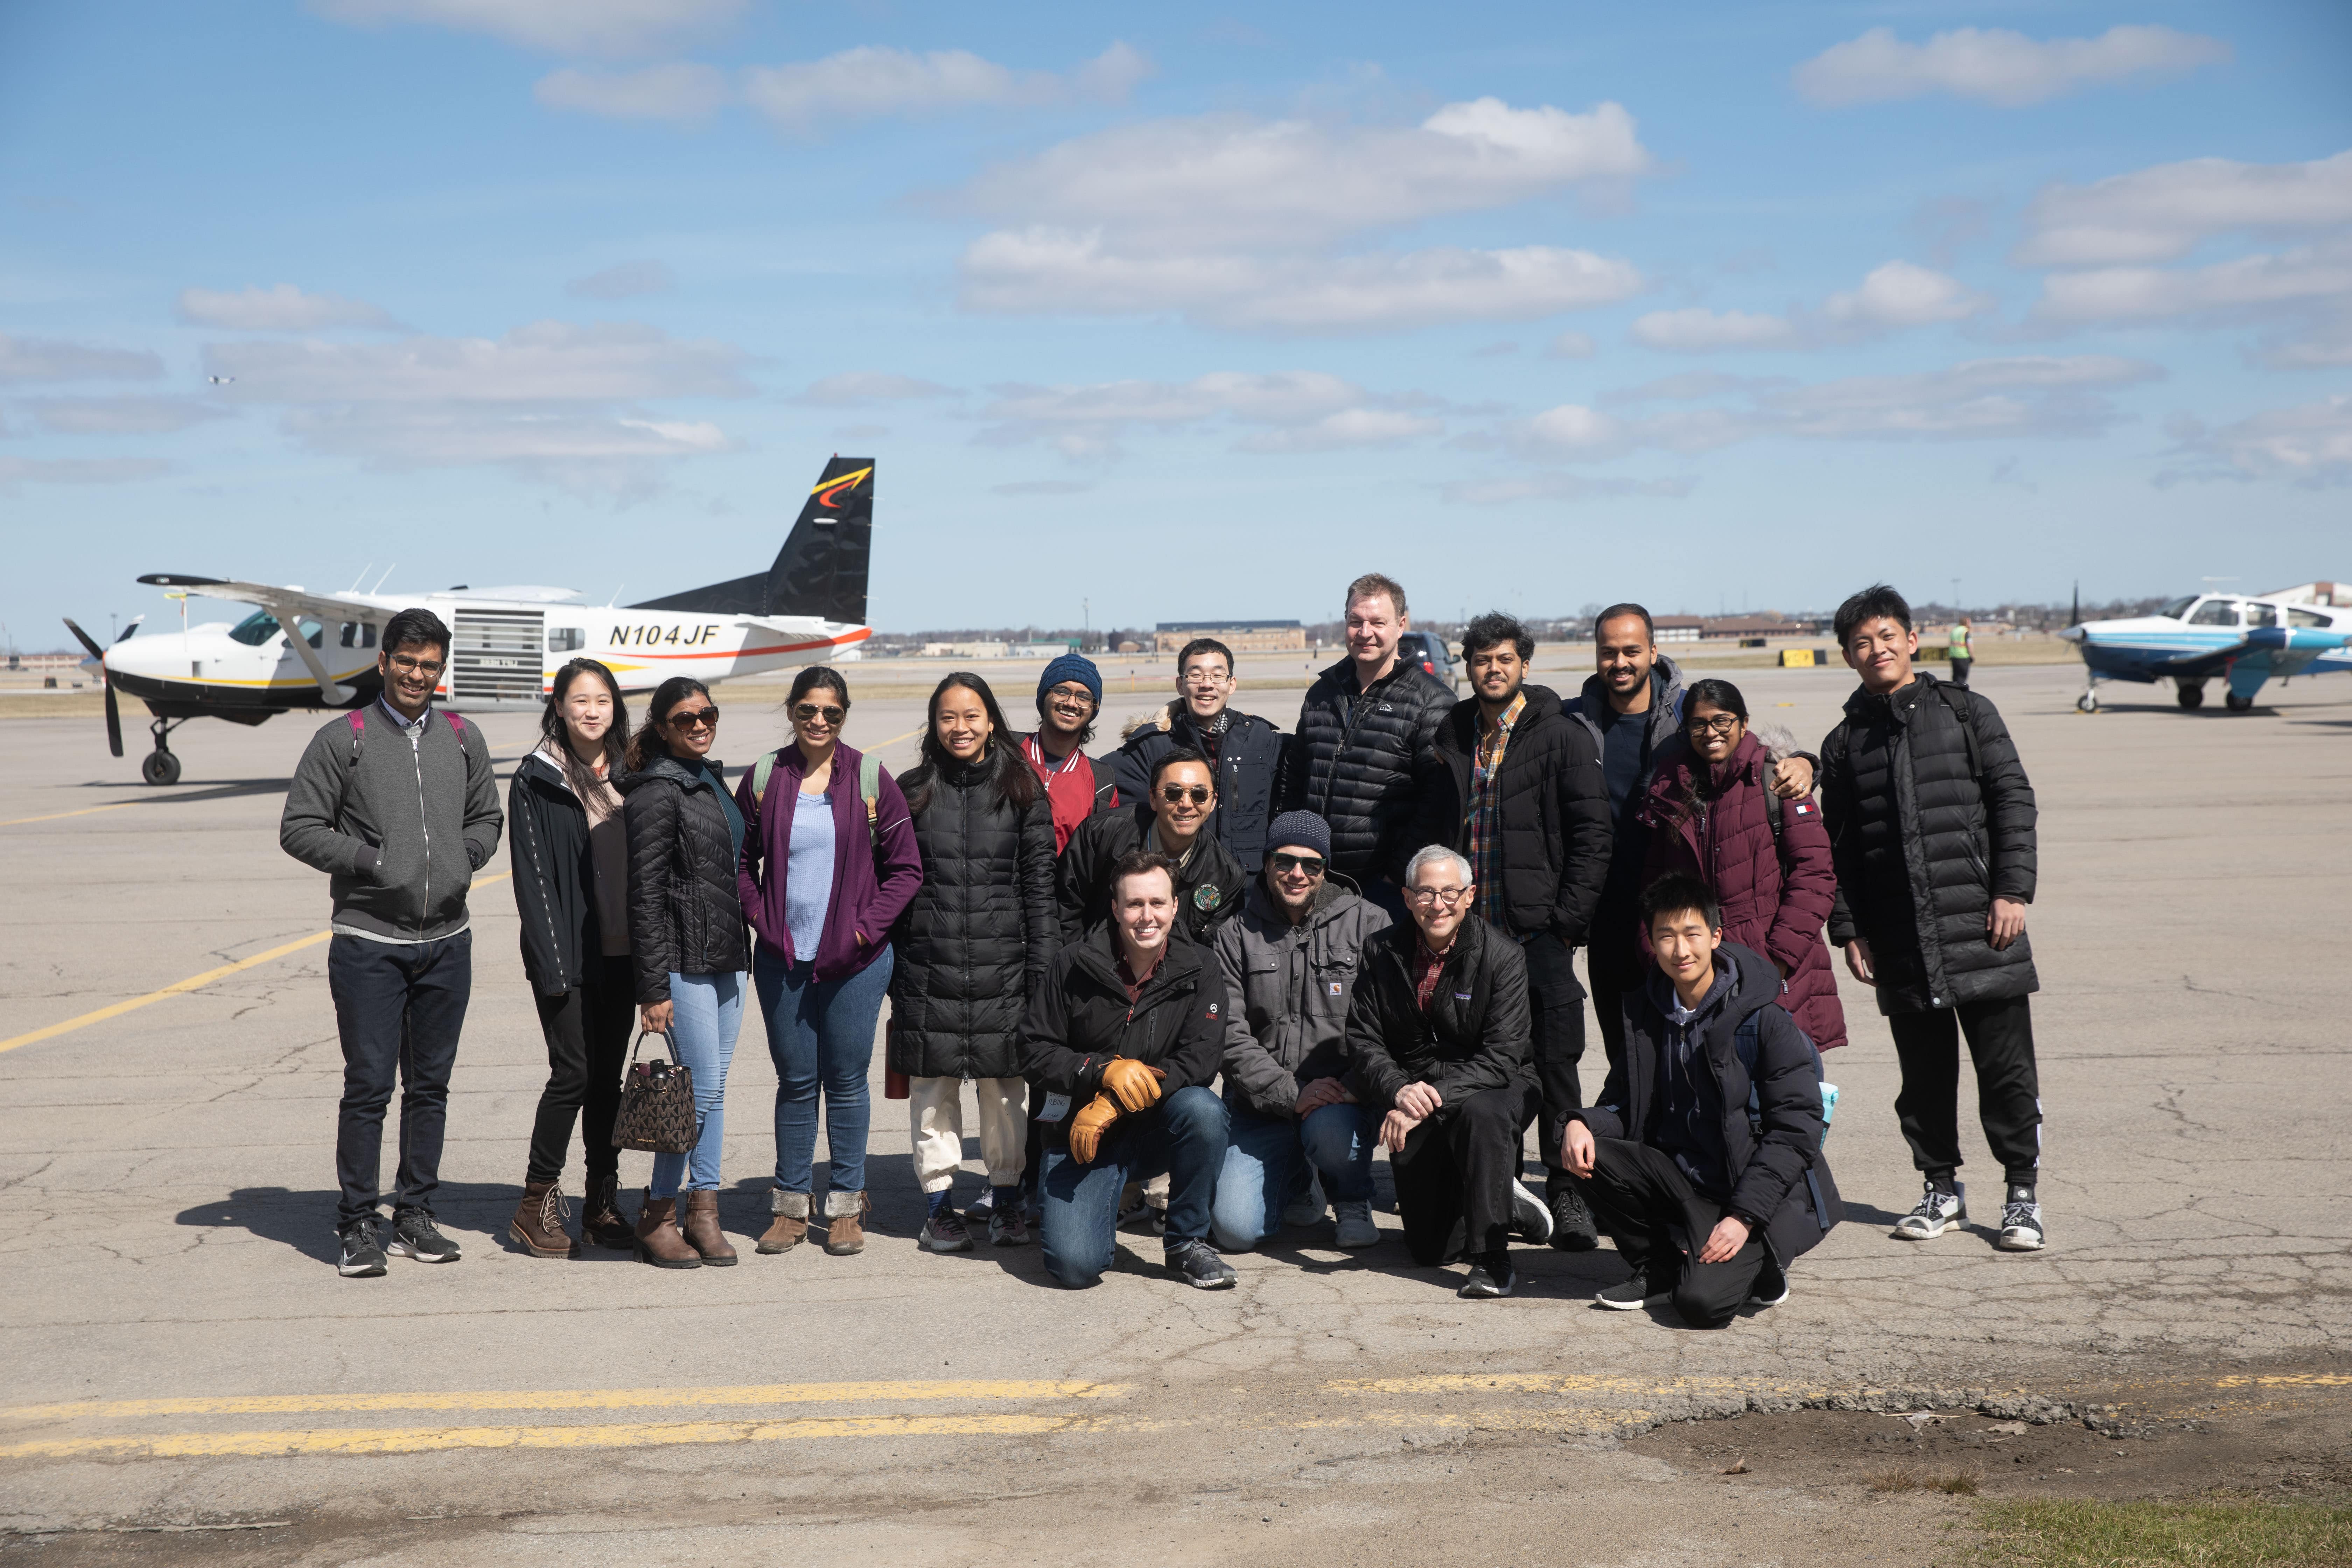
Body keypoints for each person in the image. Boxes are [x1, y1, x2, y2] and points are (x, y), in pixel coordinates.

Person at [280, 607, 502, 1279]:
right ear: (384, 664)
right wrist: (374, 862)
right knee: (370, 1086)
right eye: (406, 662)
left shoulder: (463, 737)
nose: (417, 674)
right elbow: (299, 828)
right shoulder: (341, 738)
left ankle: (414, 1214)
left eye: (430, 664)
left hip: (448, 941)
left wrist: (464, 857)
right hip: (369, 943)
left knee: (430, 1086)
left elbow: (487, 818)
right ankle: (356, 1223)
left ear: (441, 670)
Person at [1822, 584, 2044, 1251]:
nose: (1876, 649)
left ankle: (2023, 1195)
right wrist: (1849, 928)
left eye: (1887, 636)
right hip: (1898, 936)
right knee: (1923, 1080)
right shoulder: (1845, 742)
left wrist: (2011, 890)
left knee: (2006, 1072)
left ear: (1913, 641)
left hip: (1982, 926)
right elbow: (1837, 849)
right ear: (1848, 656)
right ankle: (1940, 1188)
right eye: (1862, 642)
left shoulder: (1966, 712)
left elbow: (2013, 799)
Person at [1564, 874, 1843, 1327]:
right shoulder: (1647, 1014)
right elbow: (1623, 1106)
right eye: (1666, 937)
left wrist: (1744, 1217)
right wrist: (1579, 1123)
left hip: (1747, 1191)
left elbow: (1797, 1129)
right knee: (1580, 1148)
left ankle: (1765, 1266)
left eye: (1692, 934)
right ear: (1651, 942)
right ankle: (1656, 1268)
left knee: (1700, 1306)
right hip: (1681, 1180)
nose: (1681, 950)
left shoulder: (1762, 1019)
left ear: (1716, 936)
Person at [1422, 611, 1614, 1252]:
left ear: (1524, 665)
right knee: (1478, 1062)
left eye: (1505, 659)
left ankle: (1567, 1188)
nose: (1494, 670)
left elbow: (1593, 836)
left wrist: (1565, 927)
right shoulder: (1452, 734)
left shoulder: (1560, 735)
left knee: (1557, 1064)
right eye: (1482, 661)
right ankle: (1489, 1184)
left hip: (1537, 936)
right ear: (1469, 667)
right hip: (1470, 941)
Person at [1563, 605, 1813, 1078]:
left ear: (1654, 652)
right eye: (1609, 652)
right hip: (1611, 919)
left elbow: (1751, 751)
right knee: (1628, 1058)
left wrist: (1803, 762)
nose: (1621, 662)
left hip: (1683, 918)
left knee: (1697, 1059)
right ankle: (1641, 1150)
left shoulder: (1687, 713)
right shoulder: (1573, 722)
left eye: (1632, 651)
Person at [737, 666, 923, 1259]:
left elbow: (907, 870)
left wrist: (866, 930)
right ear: (791, 710)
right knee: (795, 1082)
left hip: (856, 961)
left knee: (845, 1081)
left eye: (832, 713)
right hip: (784, 959)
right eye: (807, 711)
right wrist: (763, 920)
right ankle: (791, 1205)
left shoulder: (870, 777)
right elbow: (740, 863)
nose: (819, 721)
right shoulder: (766, 775)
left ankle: (846, 1203)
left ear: (845, 715)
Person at [887, 673, 1057, 1252]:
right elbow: (893, 883)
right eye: (948, 718)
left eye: (972, 716)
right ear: (934, 726)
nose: (960, 728)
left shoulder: (1023, 790)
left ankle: (1008, 1201)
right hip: (927, 968)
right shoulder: (909, 793)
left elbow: (1040, 890)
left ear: (991, 722)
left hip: (1003, 969)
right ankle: (939, 1207)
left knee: (1006, 1093)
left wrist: (1041, 973)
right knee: (932, 1093)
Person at [1022, 852, 1237, 1291]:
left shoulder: (1202, 966)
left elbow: (1201, 1058)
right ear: (1116, 907)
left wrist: (1116, 1098)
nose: (1147, 916)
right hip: (1082, 1135)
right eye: (1135, 904)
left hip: (1153, 1127)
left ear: (1176, 906)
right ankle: (1088, 1205)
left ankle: (1185, 1244)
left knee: (1204, 1110)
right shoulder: (1072, 963)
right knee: (1076, 1269)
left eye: (1158, 903)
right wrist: (1099, 1071)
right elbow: (1032, 1049)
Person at [1345, 845, 1550, 1299]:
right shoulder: (1380, 951)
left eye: (1449, 893)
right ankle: (1498, 1192)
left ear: (1470, 895)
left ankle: (1493, 1258)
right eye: (1425, 894)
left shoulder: (1504, 957)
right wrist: (1399, 1091)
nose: (1437, 905)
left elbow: (1503, 1057)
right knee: (1429, 1249)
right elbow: (1363, 1040)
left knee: (1482, 1114)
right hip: (1415, 1091)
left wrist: (1424, 1102)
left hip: (1498, 1084)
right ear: (1406, 897)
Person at [1208, 811, 1391, 1253]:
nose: (1297, 874)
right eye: (1285, 861)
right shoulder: (1235, 933)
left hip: (1339, 1100)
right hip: (1259, 1103)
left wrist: (1349, 1087)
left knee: (1330, 1136)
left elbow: (1387, 1024)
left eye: (1311, 864)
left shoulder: (1370, 924)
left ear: (1326, 870)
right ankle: (1298, 1179)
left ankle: (1350, 1196)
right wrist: (1291, 1092)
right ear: (1267, 863)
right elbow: (1229, 1033)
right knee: (1234, 1232)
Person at [1638, 677, 1848, 1056]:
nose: (1711, 733)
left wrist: (1777, 960)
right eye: (1699, 724)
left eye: (1722, 721)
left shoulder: (1777, 780)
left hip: (1775, 968)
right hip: (1696, 973)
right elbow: (1654, 884)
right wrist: (1658, 958)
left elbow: (1815, 876)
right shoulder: (1670, 788)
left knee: (1783, 1095)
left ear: (1744, 723)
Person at [506, 657, 638, 1259]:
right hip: (565, 959)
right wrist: (554, 965)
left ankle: (601, 1203)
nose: (591, 710)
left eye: (602, 700)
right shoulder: (538, 778)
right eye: (579, 700)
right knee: (574, 1076)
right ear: (558, 706)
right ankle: (535, 1204)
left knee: (608, 1084)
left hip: (621, 955)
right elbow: (533, 882)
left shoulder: (631, 774)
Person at [623, 677, 749, 1269]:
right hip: (681, 959)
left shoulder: (707, 778)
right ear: (662, 726)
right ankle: (658, 1213)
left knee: (715, 1090)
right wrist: (652, 989)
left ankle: (706, 1210)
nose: (700, 725)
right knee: (692, 1096)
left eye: (708, 714)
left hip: (727, 957)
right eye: (684, 719)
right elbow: (644, 896)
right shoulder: (656, 791)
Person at [1284, 573, 1452, 922]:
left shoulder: (1430, 702)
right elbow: (1296, 779)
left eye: (1378, 622)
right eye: (1355, 621)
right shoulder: (1322, 693)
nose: (1365, 633)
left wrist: (1396, 875)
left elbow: (1438, 802)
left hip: (1383, 889)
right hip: (1316, 879)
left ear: (1401, 624)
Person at [1111, 637, 1286, 873]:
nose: (1207, 684)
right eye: (1195, 675)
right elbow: (1100, 785)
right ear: (1180, 685)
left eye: (1217, 676)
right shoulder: (1152, 745)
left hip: (1248, 889)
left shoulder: (1261, 739)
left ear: (1231, 684)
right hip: (1177, 883)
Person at [1059, 749, 1244, 948]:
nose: (1186, 804)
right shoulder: (1101, 833)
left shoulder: (1227, 876)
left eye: (1199, 795)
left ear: (1213, 802)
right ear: (1153, 799)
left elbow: (1211, 951)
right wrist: (1078, 962)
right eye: (1173, 793)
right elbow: (1064, 907)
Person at [1017, 652, 1119, 853]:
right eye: (1062, 691)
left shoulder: (1102, 783)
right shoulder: (1007, 754)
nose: (1072, 703)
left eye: (1084, 697)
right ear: (1043, 697)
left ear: (1093, 708)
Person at [1948, 616, 1973, 688]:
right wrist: (1972, 656)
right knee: (1962, 678)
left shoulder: (1954, 630)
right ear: (1967, 623)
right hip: (1963, 656)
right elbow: (1969, 645)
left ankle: (1954, 693)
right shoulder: (1966, 632)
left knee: (1955, 677)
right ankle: (1960, 695)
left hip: (1954, 656)